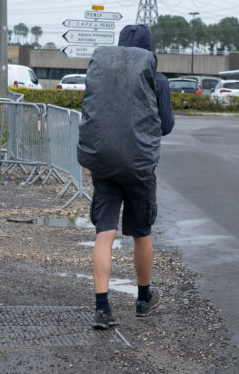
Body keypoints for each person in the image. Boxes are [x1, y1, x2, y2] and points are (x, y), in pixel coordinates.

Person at [77, 24, 175, 329]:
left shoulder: (100, 75)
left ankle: (102, 307)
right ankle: (144, 299)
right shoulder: (156, 79)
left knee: (105, 233)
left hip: (103, 163)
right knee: (140, 232)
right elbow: (166, 125)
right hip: (139, 166)